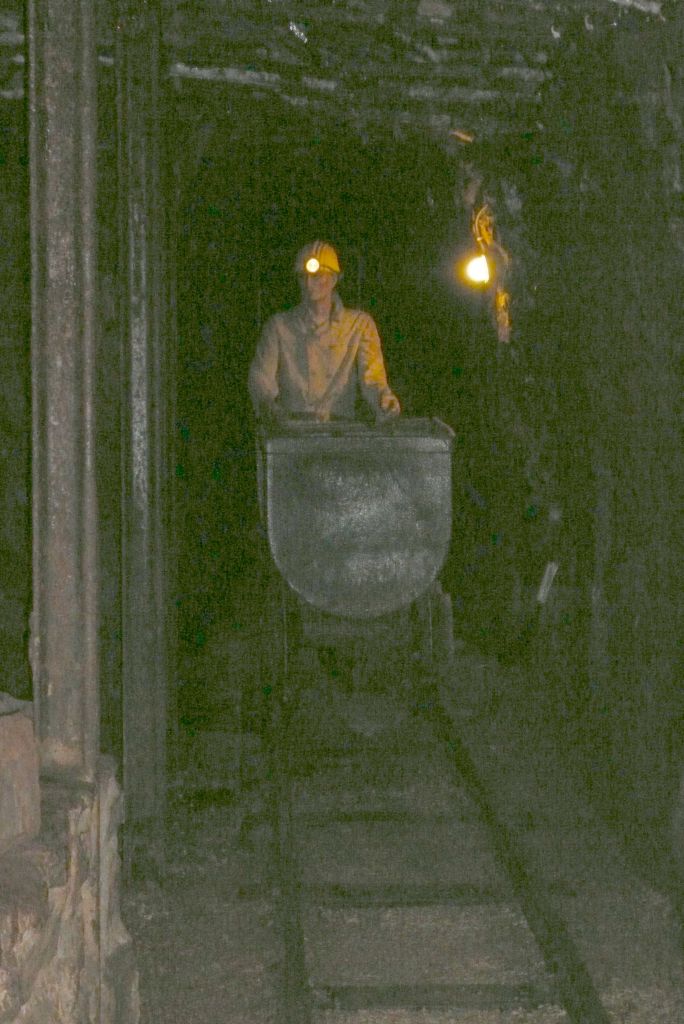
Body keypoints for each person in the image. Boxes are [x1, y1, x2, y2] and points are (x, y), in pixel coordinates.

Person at [248, 241, 401, 425]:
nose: (308, 283)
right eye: (303, 277)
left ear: (334, 279)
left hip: (339, 430)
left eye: (317, 276)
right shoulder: (278, 327)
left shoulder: (358, 325)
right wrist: (267, 404)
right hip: (292, 431)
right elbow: (261, 377)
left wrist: (384, 399)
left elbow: (373, 377)